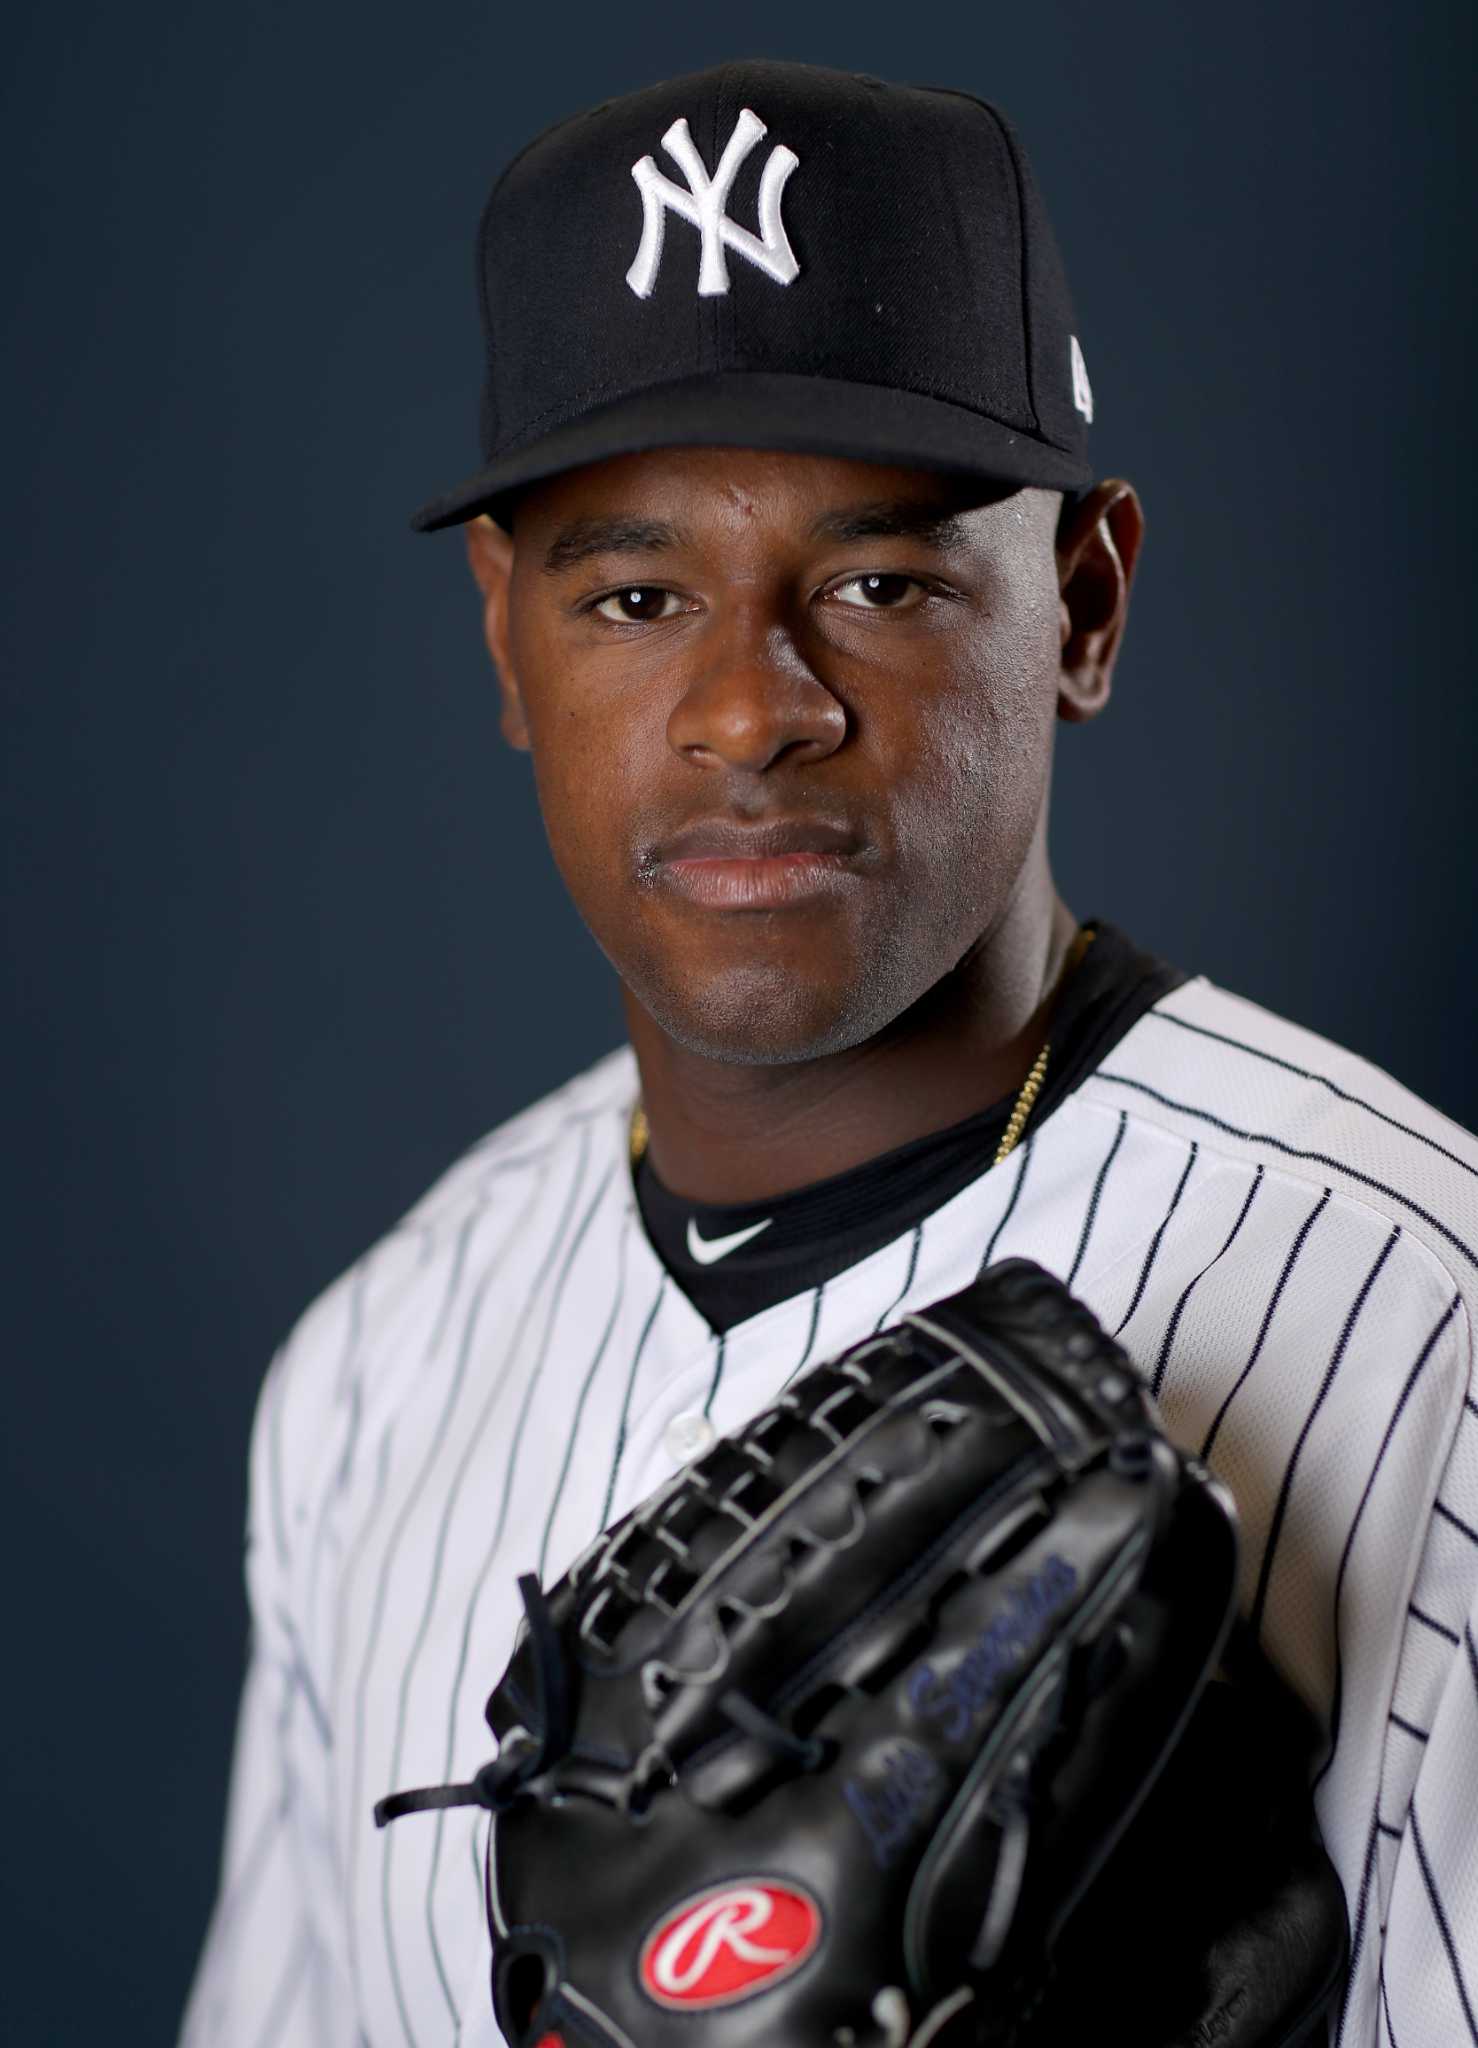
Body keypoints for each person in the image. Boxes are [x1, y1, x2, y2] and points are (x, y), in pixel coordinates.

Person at [180, 57, 1478, 2048]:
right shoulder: (373, 1371)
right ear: (505, 640)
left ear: (1084, 601)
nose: (744, 706)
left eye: (875, 581)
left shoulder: (1428, 1335)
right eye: (631, 592)